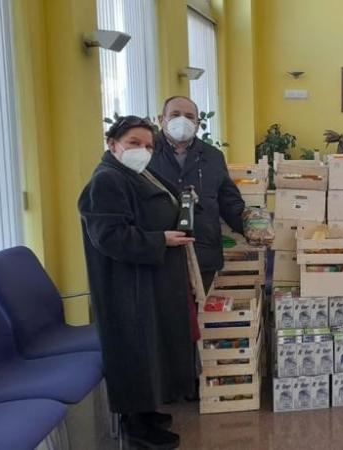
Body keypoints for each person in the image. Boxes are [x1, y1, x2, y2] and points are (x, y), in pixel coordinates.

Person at [79, 116, 197, 449]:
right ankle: (136, 426)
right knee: (134, 350)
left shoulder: (137, 173)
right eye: (134, 143)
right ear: (112, 143)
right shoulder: (106, 180)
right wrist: (160, 240)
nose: (142, 151)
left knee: (150, 349)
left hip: (148, 277)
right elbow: (110, 236)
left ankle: (147, 412)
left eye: (148, 146)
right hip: (126, 285)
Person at [148, 96, 246, 291]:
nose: (182, 120)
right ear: (161, 119)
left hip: (203, 252)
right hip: (159, 255)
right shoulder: (146, 154)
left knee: (198, 307)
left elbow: (228, 201)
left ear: (197, 123)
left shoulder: (213, 156)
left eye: (189, 116)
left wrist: (251, 226)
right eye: (175, 114)